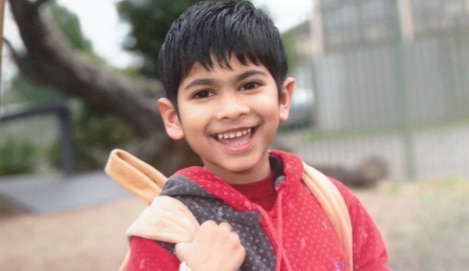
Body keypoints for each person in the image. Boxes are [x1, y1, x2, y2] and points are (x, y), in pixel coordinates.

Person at [123, 0, 391, 270]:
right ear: (173, 118)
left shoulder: (333, 202)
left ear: (283, 98)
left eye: (249, 85)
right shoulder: (164, 234)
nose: (231, 110)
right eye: (203, 93)